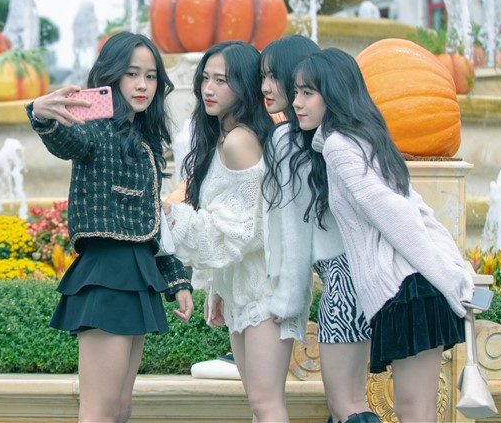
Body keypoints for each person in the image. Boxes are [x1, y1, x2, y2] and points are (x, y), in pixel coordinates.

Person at [292, 48, 474, 423]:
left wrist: (451, 278)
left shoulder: (340, 146)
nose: (297, 102)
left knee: (414, 411)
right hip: (415, 289)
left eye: (308, 93)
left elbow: (397, 215)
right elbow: (417, 210)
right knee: (418, 410)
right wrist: (454, 270)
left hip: (407, 291)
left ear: (335, 92)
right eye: (296, 92)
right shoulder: (367, 139)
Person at [27, 32, 194, 423]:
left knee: (120, 409)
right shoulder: (95, 126)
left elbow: (153, 222)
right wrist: (39, 114)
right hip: (106, 277)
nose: (142, 85)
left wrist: (177, 280)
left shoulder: (144, 140)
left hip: (136, 273)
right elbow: (68, 140)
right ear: (112, 76)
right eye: (131, 74)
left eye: (150, 76)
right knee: (100, 412)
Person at [163, 40, 295, 422]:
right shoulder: (223, 137)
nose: (209, 88)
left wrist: (170, 215)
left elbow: (244, 230)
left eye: (221, 80)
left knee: (266, 403)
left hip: (265, 289)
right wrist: (219, 287)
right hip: (244, 288)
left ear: (244, 86)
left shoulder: (240, 141)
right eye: (205, 78)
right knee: (259, 402)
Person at [260, 36, 379, 423]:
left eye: (275, 77)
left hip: (341, 280)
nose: (267, 87)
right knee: (353, 399)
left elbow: (296, 230)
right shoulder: (344, 134)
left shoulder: (289, 140)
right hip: (369, 276)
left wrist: (289, 299)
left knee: (345, 404)